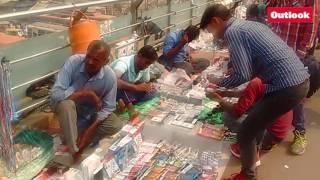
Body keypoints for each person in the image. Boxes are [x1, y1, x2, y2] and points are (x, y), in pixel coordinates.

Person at [200, 4, 309, 180]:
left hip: (286, 86)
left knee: (245, 130)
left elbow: (242, 75)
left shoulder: (232, 32)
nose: (214, 35)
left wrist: (218, 84)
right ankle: (251, 162)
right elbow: (251, 67)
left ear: (216, 21)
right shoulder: (251, 24)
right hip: (298, 80)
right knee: (255, 122)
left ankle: (248, 176)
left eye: (211, 30)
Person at [51, 40, 123, 158]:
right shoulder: (73, 62)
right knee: (66, 105)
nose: (89, 62)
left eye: (96, 60)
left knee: (115, 124)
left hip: (88, 113)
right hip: (67, 109)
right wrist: (84, 93)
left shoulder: (109, 77)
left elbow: (108, 107)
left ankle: (82, 136)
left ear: (106, 62)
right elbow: (56, 95)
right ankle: (73, 149)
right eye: (88, 56)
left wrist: (90, 130)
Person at [266, 0, 320, 155]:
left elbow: (311, 28)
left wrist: (299, 55)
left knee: (295, 95)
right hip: (275, 49)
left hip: (295, 53)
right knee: (273, 89)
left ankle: (300, 133)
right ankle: (274, 128)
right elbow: (270, 14)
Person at [208, 78, 293, 160]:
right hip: (278, 134)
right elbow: (245, 93)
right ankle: (262, 144)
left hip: (267, 134)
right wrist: (225, 93)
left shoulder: (256, 81)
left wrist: (219, 100)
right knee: (246, 107)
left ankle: (250, 148)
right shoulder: (274, 79)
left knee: (228, 116)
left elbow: (237, 111)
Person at [110, 45, 158, 117]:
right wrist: (136, 87)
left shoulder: (144, 66)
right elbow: (112, 81)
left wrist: (147, 86)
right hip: (112, 90)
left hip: (126, 92)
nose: (147, 66)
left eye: (150, 64)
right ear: (139, 55)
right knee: (121, 88)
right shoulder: (123, 63)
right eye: (147, 62)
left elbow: (144, 81)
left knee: (153, 93)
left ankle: (126, 101)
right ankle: (129, 106)